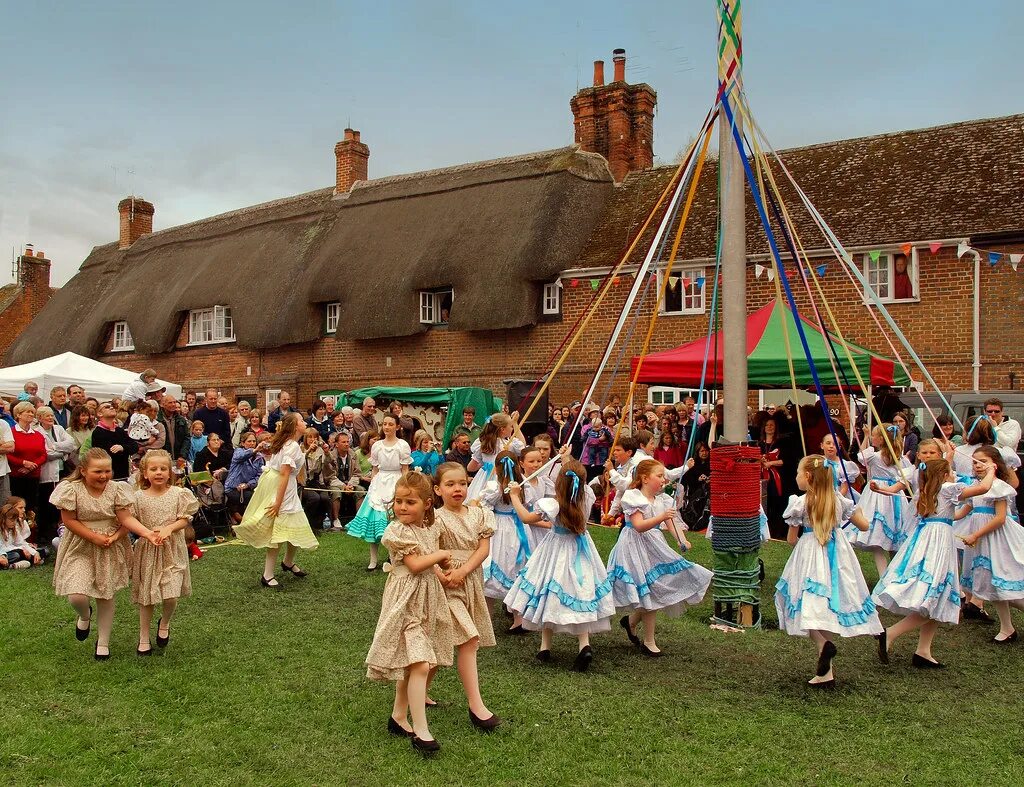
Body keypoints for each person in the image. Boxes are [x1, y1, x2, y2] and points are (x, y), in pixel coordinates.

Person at [874, 455, 995, 668]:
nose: (954, 474)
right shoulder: (948, 489)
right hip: (938, 544)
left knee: (937, 599)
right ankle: (890, 634)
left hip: (928, 537)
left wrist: (966, 509)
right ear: (943, 475)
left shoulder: (926, 492)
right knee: (936, 596)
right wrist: (992, 469)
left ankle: (923, 651)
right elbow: (983, 488)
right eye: (950, 471)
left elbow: (949, 515)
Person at [364, 471, 454, 754]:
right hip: (404, 600)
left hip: (427, 599)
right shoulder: (397, 531)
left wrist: (442, 573)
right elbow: (415, 565)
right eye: (399, 501)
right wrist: (440, 556)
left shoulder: (430, 529)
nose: (402, 507)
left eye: (410, 502)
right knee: (420, 663)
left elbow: (429, 565)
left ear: (427, 503)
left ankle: (398, 716)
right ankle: (421, 730)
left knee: (414, 660)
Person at [774, 455, 883, 687]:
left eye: (797, 473)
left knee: (806, 603)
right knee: (827, 607)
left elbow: (791, 539)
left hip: (809, 552)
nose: (796, 477)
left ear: (808, 477)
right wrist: (859, 510)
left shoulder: (799, 503)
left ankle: (824, 647)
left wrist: (801, 535)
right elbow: (863, 525)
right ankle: (826, 673)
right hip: (838, 555)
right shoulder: (840, 501)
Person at [505, 458, 615, 671]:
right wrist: (568, 460)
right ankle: (584, 644)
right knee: (580, 592)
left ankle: (545, 646)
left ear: (559, 484)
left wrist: (515, 497)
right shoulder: (587, 496)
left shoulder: (553, 505)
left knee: (549, 593)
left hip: (556, 549)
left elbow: (527, 518)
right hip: (581, 550)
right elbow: (576, 488)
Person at [50, 448, 152, 660]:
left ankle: (103, 642)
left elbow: (125, 519)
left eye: (107, 471)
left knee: (106, 594)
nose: (104, 476)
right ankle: (85, 615)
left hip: (110, 545)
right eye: (98, 471)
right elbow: (68, 520)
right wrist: (93, 537)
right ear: (83, 471)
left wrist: (144, 533)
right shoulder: (71, 489)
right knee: (76, 594)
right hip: (80, 545)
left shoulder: (117, 489)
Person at [607, 459, 712, 656]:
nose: (664, 480)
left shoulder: (661, 499)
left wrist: (681, 540)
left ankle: (630, 623)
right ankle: (649, 641)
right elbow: (638, 526)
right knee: (648, 589)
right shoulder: (632, 496)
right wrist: (662, 517)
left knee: (652, 588)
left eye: (664, 476)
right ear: (645, 478)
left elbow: (671, 522)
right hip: (633, 546)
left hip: (653, 544)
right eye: (659, 476)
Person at [430, 462, 501, 731]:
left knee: (440, 644)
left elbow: (483, 548)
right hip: (444, 586)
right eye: (450, 484)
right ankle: (477, 706)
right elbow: (426, 551)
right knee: (470, 639)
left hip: (469, 581)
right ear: (438, 489)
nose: (457, 489)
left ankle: (415, 690)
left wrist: (465, 571)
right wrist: (442, 574)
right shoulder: (434, 518)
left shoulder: (478, 514)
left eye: (462, 483)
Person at [233, 412, 318, 587]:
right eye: (301, 420)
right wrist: (278, 503)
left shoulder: (289, 444)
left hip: (285, 489)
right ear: (295, 426)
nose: (305, 422)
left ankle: (287, 562)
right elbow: (285, 475)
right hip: (284, 490)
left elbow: (290, 466)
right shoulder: (291, 445)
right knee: (278, 533)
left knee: (294, 527)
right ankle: (268, 574)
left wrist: (308, 451)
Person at [130, 450, 200, 655]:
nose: (158, 472)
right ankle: (143, 636)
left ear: (170, 473)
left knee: (170, 595)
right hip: (148, 550)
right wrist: (146, 533)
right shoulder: (137, 497)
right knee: (148, 596)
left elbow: (185, 518)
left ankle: (165, 622)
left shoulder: (179, 494)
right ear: (144, 473)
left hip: (173, 548)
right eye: (153, 469)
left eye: (163, 469)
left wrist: (169, 528)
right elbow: (130, 520)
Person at [956, 445, 1024, 642]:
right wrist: (938, 516)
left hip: (997, 538)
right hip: (982, 540)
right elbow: (962, 512)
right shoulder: (976, 487)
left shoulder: (998, 486)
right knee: (990, 585)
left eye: (982, 461)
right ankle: (1007, 629)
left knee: (1001, 584)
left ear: (994, 464)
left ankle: (1007, 629)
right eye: (974, 462)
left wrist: (976, 534)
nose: (977, 466)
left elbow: (1000, 518)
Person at [348, 414, 412, 571]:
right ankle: (373, 559)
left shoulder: (402, 445)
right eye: (385, 424)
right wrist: (372, 486)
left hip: (396, 481)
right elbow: (375, 470)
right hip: (379, 483)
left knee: (393, 522)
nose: (387, 427)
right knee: (374, 521)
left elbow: (405, 469)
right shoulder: (377, 446)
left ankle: (393, 557)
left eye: (391, 424)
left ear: (397, 427)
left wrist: (405, 488)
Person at [849, 424, 911, 577]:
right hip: (896, 496)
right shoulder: (901, 459)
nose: (872, 438)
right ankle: (895, 575)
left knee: (877, 540)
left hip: (877, 496)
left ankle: (885, 576)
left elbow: (860, 456)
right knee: (893, 541)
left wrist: (864, 436)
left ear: (882, 439)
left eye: (874, 436)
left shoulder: (874, 456)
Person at [481, 451, 532, 630]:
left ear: (497, 467)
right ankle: (519, 619)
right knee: (515, 567)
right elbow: (527, 504)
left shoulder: (495, 486)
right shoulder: (523, 484)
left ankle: (487, 620)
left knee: (495, 568)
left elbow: (485, 507)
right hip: (519, 527)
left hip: (499, 528)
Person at [34, 406, 77, 544]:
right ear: (40, 418)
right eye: (47, 416)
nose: (50, 418)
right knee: (47, 503)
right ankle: (46, 533)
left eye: (52, 415)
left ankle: (61, 529)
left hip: (62, 470)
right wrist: (62, 451)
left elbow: (71, 444)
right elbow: (46, 454)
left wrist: (54, 447)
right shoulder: (37, 432)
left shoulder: (58, 429)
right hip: (47, 473)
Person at [466, 412, 525, 505]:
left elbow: (470, 468)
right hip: (504, 477)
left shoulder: (483, 442)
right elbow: (523, 446)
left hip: (484, 478)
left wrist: (484, 464)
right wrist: (515, 423)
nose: (512, 428)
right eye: (511, 426)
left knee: (481, 501)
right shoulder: (509, 444)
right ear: (502, 429)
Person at [8, 401, 47, 512]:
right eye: (27, 412)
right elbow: (8, 454)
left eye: (32, 412)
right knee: (15, 506)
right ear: (18, 415)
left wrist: (32, 465)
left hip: (33, 476)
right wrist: (23, 463)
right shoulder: (11, 433)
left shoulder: (38, 435)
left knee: (31, 506)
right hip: (16, 476)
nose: (30, 414)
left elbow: (43, 454)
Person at [225, 432, 268, 523]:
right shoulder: (238, 452)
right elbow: (241, 456)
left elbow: (259, 476)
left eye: (254, 441)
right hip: (232, 487)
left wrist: (248, 484)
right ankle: (240, 518)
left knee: (255, 495)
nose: (252, 443)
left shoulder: (260, 458)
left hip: (248, 487)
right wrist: (255, 450)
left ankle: (242, 518)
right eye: (249, 441)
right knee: (246, 497)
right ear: (243, 443)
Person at [0, 496, 43, 569]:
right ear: (4, 519)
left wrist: (35, 553)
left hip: (10, 551)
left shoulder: (13, 529)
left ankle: (11, 565)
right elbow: (2, 547)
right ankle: (10, 565)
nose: (14, 523)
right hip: (5, 553)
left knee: (42, 552)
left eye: (15, 520)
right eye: (12, 520)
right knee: (16, 555)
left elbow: (21, 542)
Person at [157, 396, 189, 463]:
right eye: (170, 403)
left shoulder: (181, 420)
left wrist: (183, 455)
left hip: (179, 459)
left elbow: (187, 438)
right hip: (162, 458)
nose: (173, 404)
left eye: (174, 402)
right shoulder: (157, 421)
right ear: (162, 405)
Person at [0, 415, 12, 507]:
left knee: (5, 508)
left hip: (3, 473)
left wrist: (6, 445)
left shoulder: (3, 424)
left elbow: (11, 447)